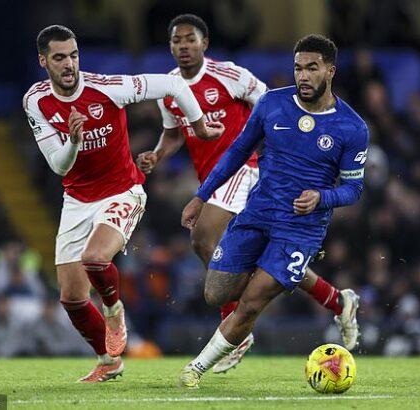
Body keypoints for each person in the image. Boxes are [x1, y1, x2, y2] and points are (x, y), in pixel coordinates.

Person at [136, 14, 360, 374]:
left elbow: (270, 106)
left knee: (202, 236)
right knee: (262, 262)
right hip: (215, 176)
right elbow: (174, 134)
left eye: (190, 39)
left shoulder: (230, 75)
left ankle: (234, 329)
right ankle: (336, 300)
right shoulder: (170, 89)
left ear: (204, 43)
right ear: (170, 46)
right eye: (177, 41)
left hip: (249, 169)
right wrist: (158, 155)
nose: (184, 46)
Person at [23, 25, 223, 383]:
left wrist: (201, 128)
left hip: (122, 191)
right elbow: (59, 165)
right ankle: (108, 361)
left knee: (95, 258)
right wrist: (73, 141)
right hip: (77, 199)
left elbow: (174, 85)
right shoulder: (36, 101)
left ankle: (114, 310)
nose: (69, 64)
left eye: (73, 55)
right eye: (59, 57)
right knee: (71, 297)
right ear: (43, 61)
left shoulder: (108, 88)